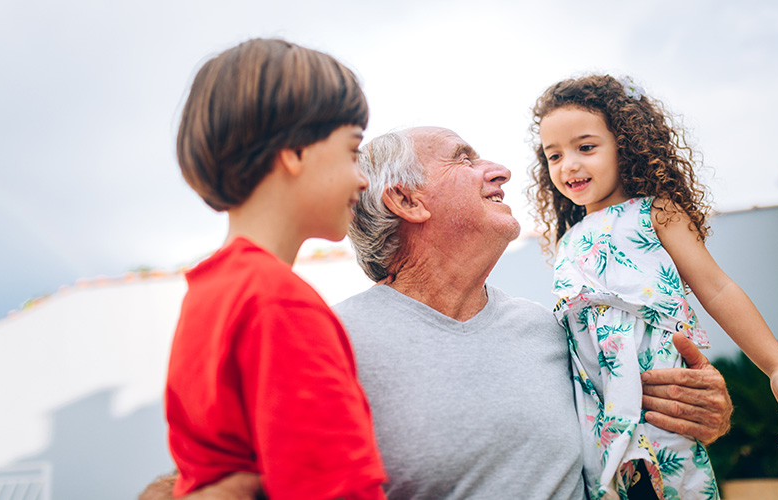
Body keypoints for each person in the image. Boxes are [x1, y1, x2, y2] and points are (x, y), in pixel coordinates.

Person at [142, 125, 733, 500]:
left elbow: (635, 437)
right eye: (464, 158)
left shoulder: (557, 330)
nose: (500, 170)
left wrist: (697, 413)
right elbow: (197, 483)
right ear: (405, 199)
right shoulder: (328, 338)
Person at [529, 74, 778, 499]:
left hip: (662, 404)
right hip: (597, 412)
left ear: (623, 146)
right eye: (554, 155)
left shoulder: (656, 213)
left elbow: (717, 289)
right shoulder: (567, 241)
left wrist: (777, 366)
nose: (568, 165)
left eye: (585, 147)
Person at [164, 38, 386, 500]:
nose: (362, 178)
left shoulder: (206, 294)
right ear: (295, 151)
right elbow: (336, 491)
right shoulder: (278, 302)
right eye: (351, 150)